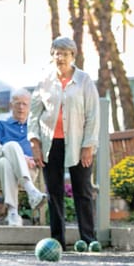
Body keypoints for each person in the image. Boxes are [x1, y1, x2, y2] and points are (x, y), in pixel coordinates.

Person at [28, 36, 100, 249]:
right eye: (57, 53)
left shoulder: (84, 80)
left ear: (73, 56)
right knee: (54, 192)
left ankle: (88, 238)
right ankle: (57, 241)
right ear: (52, 56)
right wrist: (35, 143)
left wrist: (88, 145)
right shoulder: (45, 80)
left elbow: (93, 115)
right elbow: (34, 114)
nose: (60, 57)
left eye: (65, 54)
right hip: (51, 143)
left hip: (79, 143)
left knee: (83, 190)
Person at [0, 88, 47, 226]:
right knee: (12, 146)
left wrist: (29, 159)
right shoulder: (1, 124)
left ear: (30, 106)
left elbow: (43, 151)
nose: (21, 107)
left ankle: (13, 213)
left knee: (5, 164)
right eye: (17, 103)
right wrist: (21, 157)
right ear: (10, 105)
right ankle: (31, 191)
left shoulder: (35, 128)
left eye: (24, 104)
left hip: (28, 170)